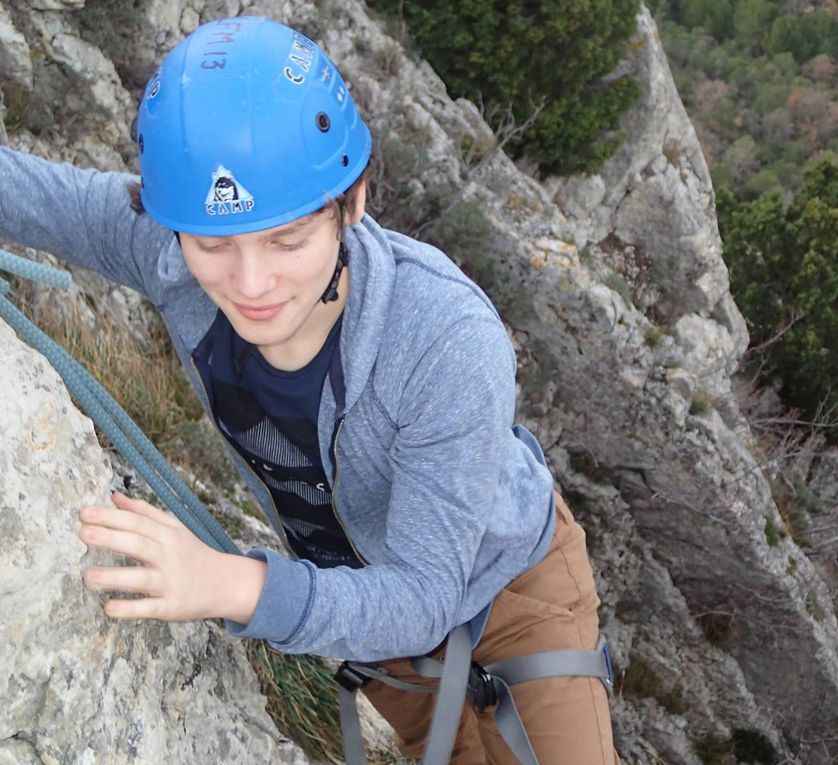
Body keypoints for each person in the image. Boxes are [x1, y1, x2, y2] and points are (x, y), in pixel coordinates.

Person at [0, 16, 619, 765]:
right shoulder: (163, 249)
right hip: (355, 593)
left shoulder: (442, 340)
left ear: (350, 204)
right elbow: (33, 196)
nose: (251, 285)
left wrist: (235, 586)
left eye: (288, 240)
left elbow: (423, 594)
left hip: (511, 586)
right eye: (214, 245)